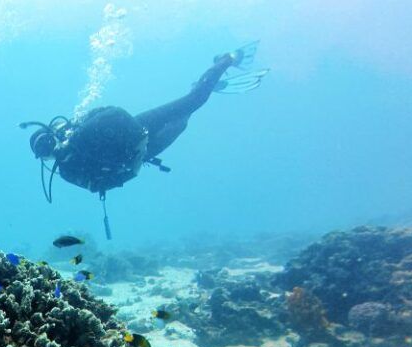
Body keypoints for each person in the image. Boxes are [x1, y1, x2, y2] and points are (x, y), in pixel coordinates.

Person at [20, 42, 268, 237]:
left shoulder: (74, 132)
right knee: (184, 119)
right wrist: (135, 162)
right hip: (140, 149)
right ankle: (205, 84)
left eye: (48, 143)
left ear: (52, 135)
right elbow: (101, 184)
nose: (51, 150)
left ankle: (226, 61)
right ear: (45, 157)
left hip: (138, 129)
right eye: (45, 151)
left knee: (193, 103)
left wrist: (134, 144)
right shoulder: (66, 171)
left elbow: (111, 115)